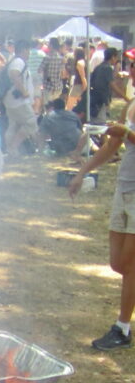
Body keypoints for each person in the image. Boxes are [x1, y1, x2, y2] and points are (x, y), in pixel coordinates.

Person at [69, 101, 135, 349]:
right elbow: (112, 146)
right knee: (117, 263)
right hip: (125, 189)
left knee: (130, 266)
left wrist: (127, 133)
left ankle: (122, 328)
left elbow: (125, 136)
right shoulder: (131, 105)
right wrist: (82, 172)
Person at [2, 40, 39, 156]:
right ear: (24, 50)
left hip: (12, 101)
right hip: (19, 102)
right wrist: (24, 92)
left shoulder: (16, 61)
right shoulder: (18, 61)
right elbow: (14, 74)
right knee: (31, 123)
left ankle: (10, 149)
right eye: (28, 50)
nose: (29, 53)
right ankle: (12, 147)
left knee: (14, 125)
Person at [65, 46, 87, 111]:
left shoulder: (79, 63)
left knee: (69, 106)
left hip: (78, 85)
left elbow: (82, 76)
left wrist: (84, 87)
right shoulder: (85, 61)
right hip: (80, 85)